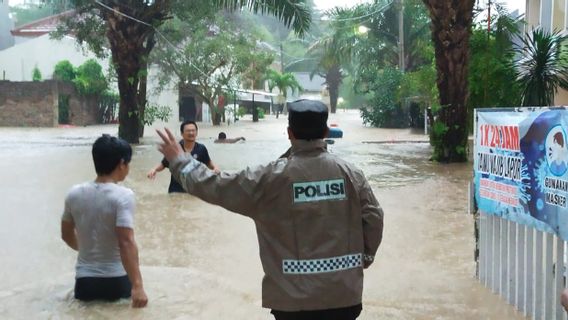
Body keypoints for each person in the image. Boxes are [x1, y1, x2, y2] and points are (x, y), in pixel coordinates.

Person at [156, 99, 384, 319]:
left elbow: (215, 186)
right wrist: (366, 256)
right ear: (326, 132)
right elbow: (374, 217)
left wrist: (179, 161)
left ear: (289, 133)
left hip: (291, 302)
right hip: (344, 296)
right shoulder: (352, 174)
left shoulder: (269, 178)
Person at [61, 134, 148, 308]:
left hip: (84, 282)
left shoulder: (74, 193)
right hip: (116, 280)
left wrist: (86, 248)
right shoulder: (123, 196)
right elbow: (126, 242)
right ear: (122, 164)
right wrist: (138, 286)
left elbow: (66, 234)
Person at [147, 120, 219, 193]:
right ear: (182, 133)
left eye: (193, 130)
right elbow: (164, 164)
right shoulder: (176, 149)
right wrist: (154, 169)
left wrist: (215, 168)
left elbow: (208, 162)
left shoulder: (201, 148)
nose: (191, 133)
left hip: (194, 190)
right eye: (188, 131)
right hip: (176, 190)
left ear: (196, 133)